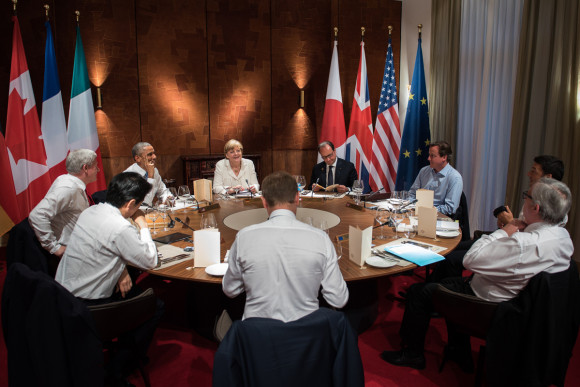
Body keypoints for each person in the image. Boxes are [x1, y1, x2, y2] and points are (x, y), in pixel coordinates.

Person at [381, 177, 573, 370]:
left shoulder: (524, 244)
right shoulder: (563, 238)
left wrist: (505, 230)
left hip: (490, 305)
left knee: (418, 292)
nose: (524, 201)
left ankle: (412, 354)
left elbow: (470, 260)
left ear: (536, 208)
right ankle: (458, 350)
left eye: (527, 196)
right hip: (519, 304)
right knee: (448, 281)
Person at [55, 172, 163, 385]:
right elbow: (150, 260)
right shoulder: (121, 227)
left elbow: (101, 245)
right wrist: (142, 225)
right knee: (155, 306)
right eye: (139, 205)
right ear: (131, 204)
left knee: (130, 290)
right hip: (87, 308)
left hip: (60, 296)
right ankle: (117, 369)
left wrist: (121, 269)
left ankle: (123, 348)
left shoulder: (91, 211)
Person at [222, 171, 349, 322]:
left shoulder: (244, 237)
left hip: (256, 337)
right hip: (307, 337)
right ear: (297, 198)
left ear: (264, 201)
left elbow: (230, 290)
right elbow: (339, 299)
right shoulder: (321, 239)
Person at [429, 155, 565, 283]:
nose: (528, 174)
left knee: (452, 258)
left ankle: (443, 292)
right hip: (506, 238)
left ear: (548, 177)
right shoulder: (536, 195)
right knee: (452, 249)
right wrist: (510, 221)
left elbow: (530, 241)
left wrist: (510, 223)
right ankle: (438, 286)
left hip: (509, 249)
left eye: (533, 171)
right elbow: (529, 226)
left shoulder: (555, 209)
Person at [29, 149, 98, 258]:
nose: (98, 170)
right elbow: (37, 215)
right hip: (72, 253)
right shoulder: (67, 189)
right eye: (95, 166)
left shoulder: (74, 184)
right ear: (85, 168)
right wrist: (54, 247)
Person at [408, 141, 463, 216]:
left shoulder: (455, 178)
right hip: (417, 214)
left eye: (432, 156)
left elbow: (450, 208)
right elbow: (412, 194)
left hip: (440, 218)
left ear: (444, 157)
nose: (428, 158)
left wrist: (428, 211)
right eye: (429, 155)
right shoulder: (424, 171)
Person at [124, 142, 172, 206]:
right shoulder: (129, 175)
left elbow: (163, 191)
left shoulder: (154, 170)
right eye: (150, 154)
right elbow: (144, 203)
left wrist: (168, 198)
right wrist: (150, 177)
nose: (154, 157)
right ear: (137, 158)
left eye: (154, 153)